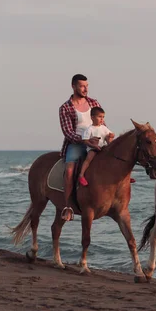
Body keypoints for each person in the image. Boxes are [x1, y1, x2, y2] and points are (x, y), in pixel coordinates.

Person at [58, 74, 102, 221]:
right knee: (70, 170)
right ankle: (68, 206)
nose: (85, 89)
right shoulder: (65, 108)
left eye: (87, 86)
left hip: (96, 141)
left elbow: (102, 122)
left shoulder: (94, 103)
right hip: (76, 143)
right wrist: (85, 141)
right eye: (82, 86)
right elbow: (68, 132)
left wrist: (107, 136)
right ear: (73, 86)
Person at [78, 107, 115, 187]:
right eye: (99, 117)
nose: (102, 119)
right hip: (93, 149)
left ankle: (120, 175)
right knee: (88, 159)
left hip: (103, 148)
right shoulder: (89, 129)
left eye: (103, 117)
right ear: (92, 118)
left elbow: (110, 134)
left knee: (113, 158)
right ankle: (81, 175)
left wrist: (111, 135)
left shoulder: (104, 128)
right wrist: (93, 146)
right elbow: (85, 140)